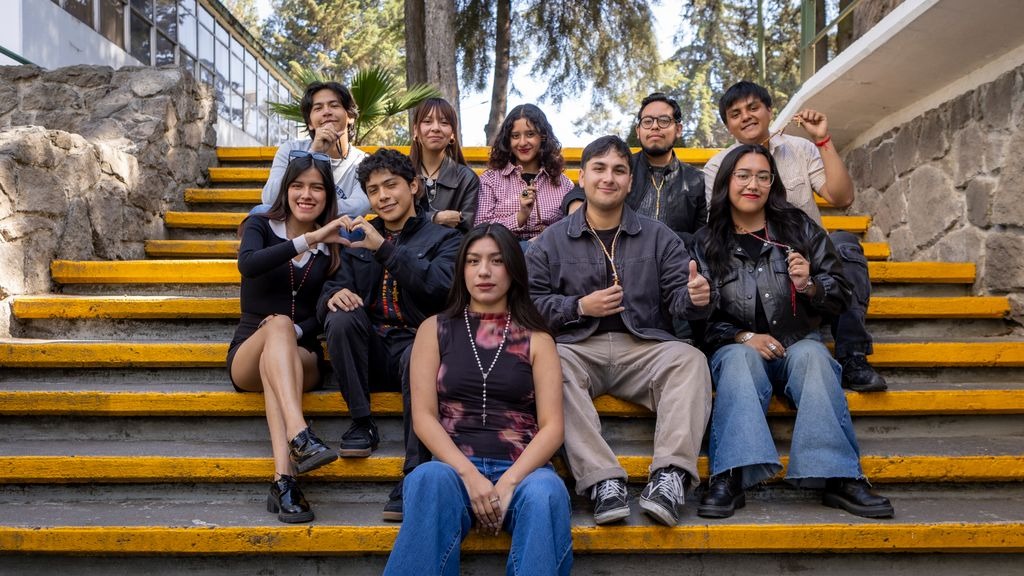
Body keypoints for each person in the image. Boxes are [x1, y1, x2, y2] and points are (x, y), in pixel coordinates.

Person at [694, 144, 894, 520]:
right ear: (727, 182)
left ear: (773, 183)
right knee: (738, 363)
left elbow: (840, 292)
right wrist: (743, 337)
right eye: (743, 175)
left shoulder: (798, 227)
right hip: (735, 346)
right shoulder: (705, 241)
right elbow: (698, 320)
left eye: (763, 176)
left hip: (797, 340)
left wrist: (810, 286)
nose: (753, 184)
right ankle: (730, 474)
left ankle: (838, 476)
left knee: (816, 358)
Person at [527, 135, 714, 526]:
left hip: (643, 346)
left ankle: (669, 477)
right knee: (549, 363)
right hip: (578, 347)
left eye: (618, 170)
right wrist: (577, 306)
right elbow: (528, 304)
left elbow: (680, 297)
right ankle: (603, 482)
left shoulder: (658, 234)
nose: (608, 178)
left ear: (631, 182)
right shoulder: (551, 239)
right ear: (582, 178)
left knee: (691, 359)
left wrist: (696, 298)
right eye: (599, 168)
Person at [383, 223, 572, 576]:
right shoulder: (434, 329)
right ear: (462, 270)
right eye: (473, 261)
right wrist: (470, 476)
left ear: (513, 270)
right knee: (426, 479)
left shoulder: (537, 339)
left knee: (548, 491)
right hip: (454, 469)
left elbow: (552, 427)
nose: (483, 271)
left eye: (496, 261)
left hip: (522, 471)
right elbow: (424, 416)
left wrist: (509, 482)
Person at [703, 80, 887, 392]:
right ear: (728, 125)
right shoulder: (718, 167)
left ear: (769, 111)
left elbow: (841, 198)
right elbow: (721, 225)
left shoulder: (800, 149)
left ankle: (852, 355)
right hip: (760, 266)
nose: (746, 116)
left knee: (845, 244)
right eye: (735, 113)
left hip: (813, 262)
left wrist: (822, 140)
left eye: (753, 107)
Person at [317, 148, 462, 521]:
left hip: (420, 350)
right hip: (372, 350)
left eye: (391, 185)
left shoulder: (446, 238)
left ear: (413, 186)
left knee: (421, 352)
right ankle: (362, 423)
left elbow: (441, 289)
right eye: (373, 189)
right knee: (341, 317)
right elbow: (326, 291)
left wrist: (384, 250)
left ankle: (414, 473)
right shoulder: (355, 234)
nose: (383, 196)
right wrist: (335, 295)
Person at [228, 151, 349, 523]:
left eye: (317, 188)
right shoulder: (259, 225)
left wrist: (294, 333)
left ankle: (284, 481)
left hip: (303, 355)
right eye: (298, 185)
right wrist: (307, 240)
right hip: (250, 349)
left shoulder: (337, 246)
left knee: (282, 332)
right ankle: (300, 434)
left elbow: (324, 309)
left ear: (328, 196)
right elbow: (248, 265)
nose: (306, 194)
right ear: (285, 189)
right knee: (276, 324)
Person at [561, 93, 706, 246]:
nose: (655, 126)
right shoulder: (622, 168)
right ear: (638, 131)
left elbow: (701, 235)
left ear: (678, 129)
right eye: (647, 121)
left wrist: (664, 241)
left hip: (675, 259)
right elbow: (582, 189)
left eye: (664, 120)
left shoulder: (695, 180)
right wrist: (577, 204)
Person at [259, 81, 370, 218]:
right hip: (293, 226)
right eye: (318, 108)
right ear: (310, 123)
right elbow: (270, 198)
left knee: (355, 228)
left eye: (334, 105)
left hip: (335, 227)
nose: (327, 112)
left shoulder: (363, 162)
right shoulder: (290, 150)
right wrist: (313, 153)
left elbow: (360, 205)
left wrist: (313, 208)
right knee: (258, 212)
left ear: (350, 116)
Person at [474, 104, 573, 242]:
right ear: (507, 140)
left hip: (551, 254)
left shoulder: (562, 183)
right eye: (515, 136)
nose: (522, 142)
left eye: (530, 134)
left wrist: (543, 239)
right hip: (505, 255)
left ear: (543, 137)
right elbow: (480, 228)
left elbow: (571, 226)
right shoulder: (491, 180)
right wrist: (520, 216)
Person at [408, 97, 480, 233]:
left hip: (449, 251)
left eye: (444, 123)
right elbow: (393, 218)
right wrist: (434, 218)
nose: (435, 128)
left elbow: (467, 228)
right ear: (416, 130)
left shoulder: (467, 179)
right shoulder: (401, 173)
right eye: (428, 121)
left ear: (452, 133)